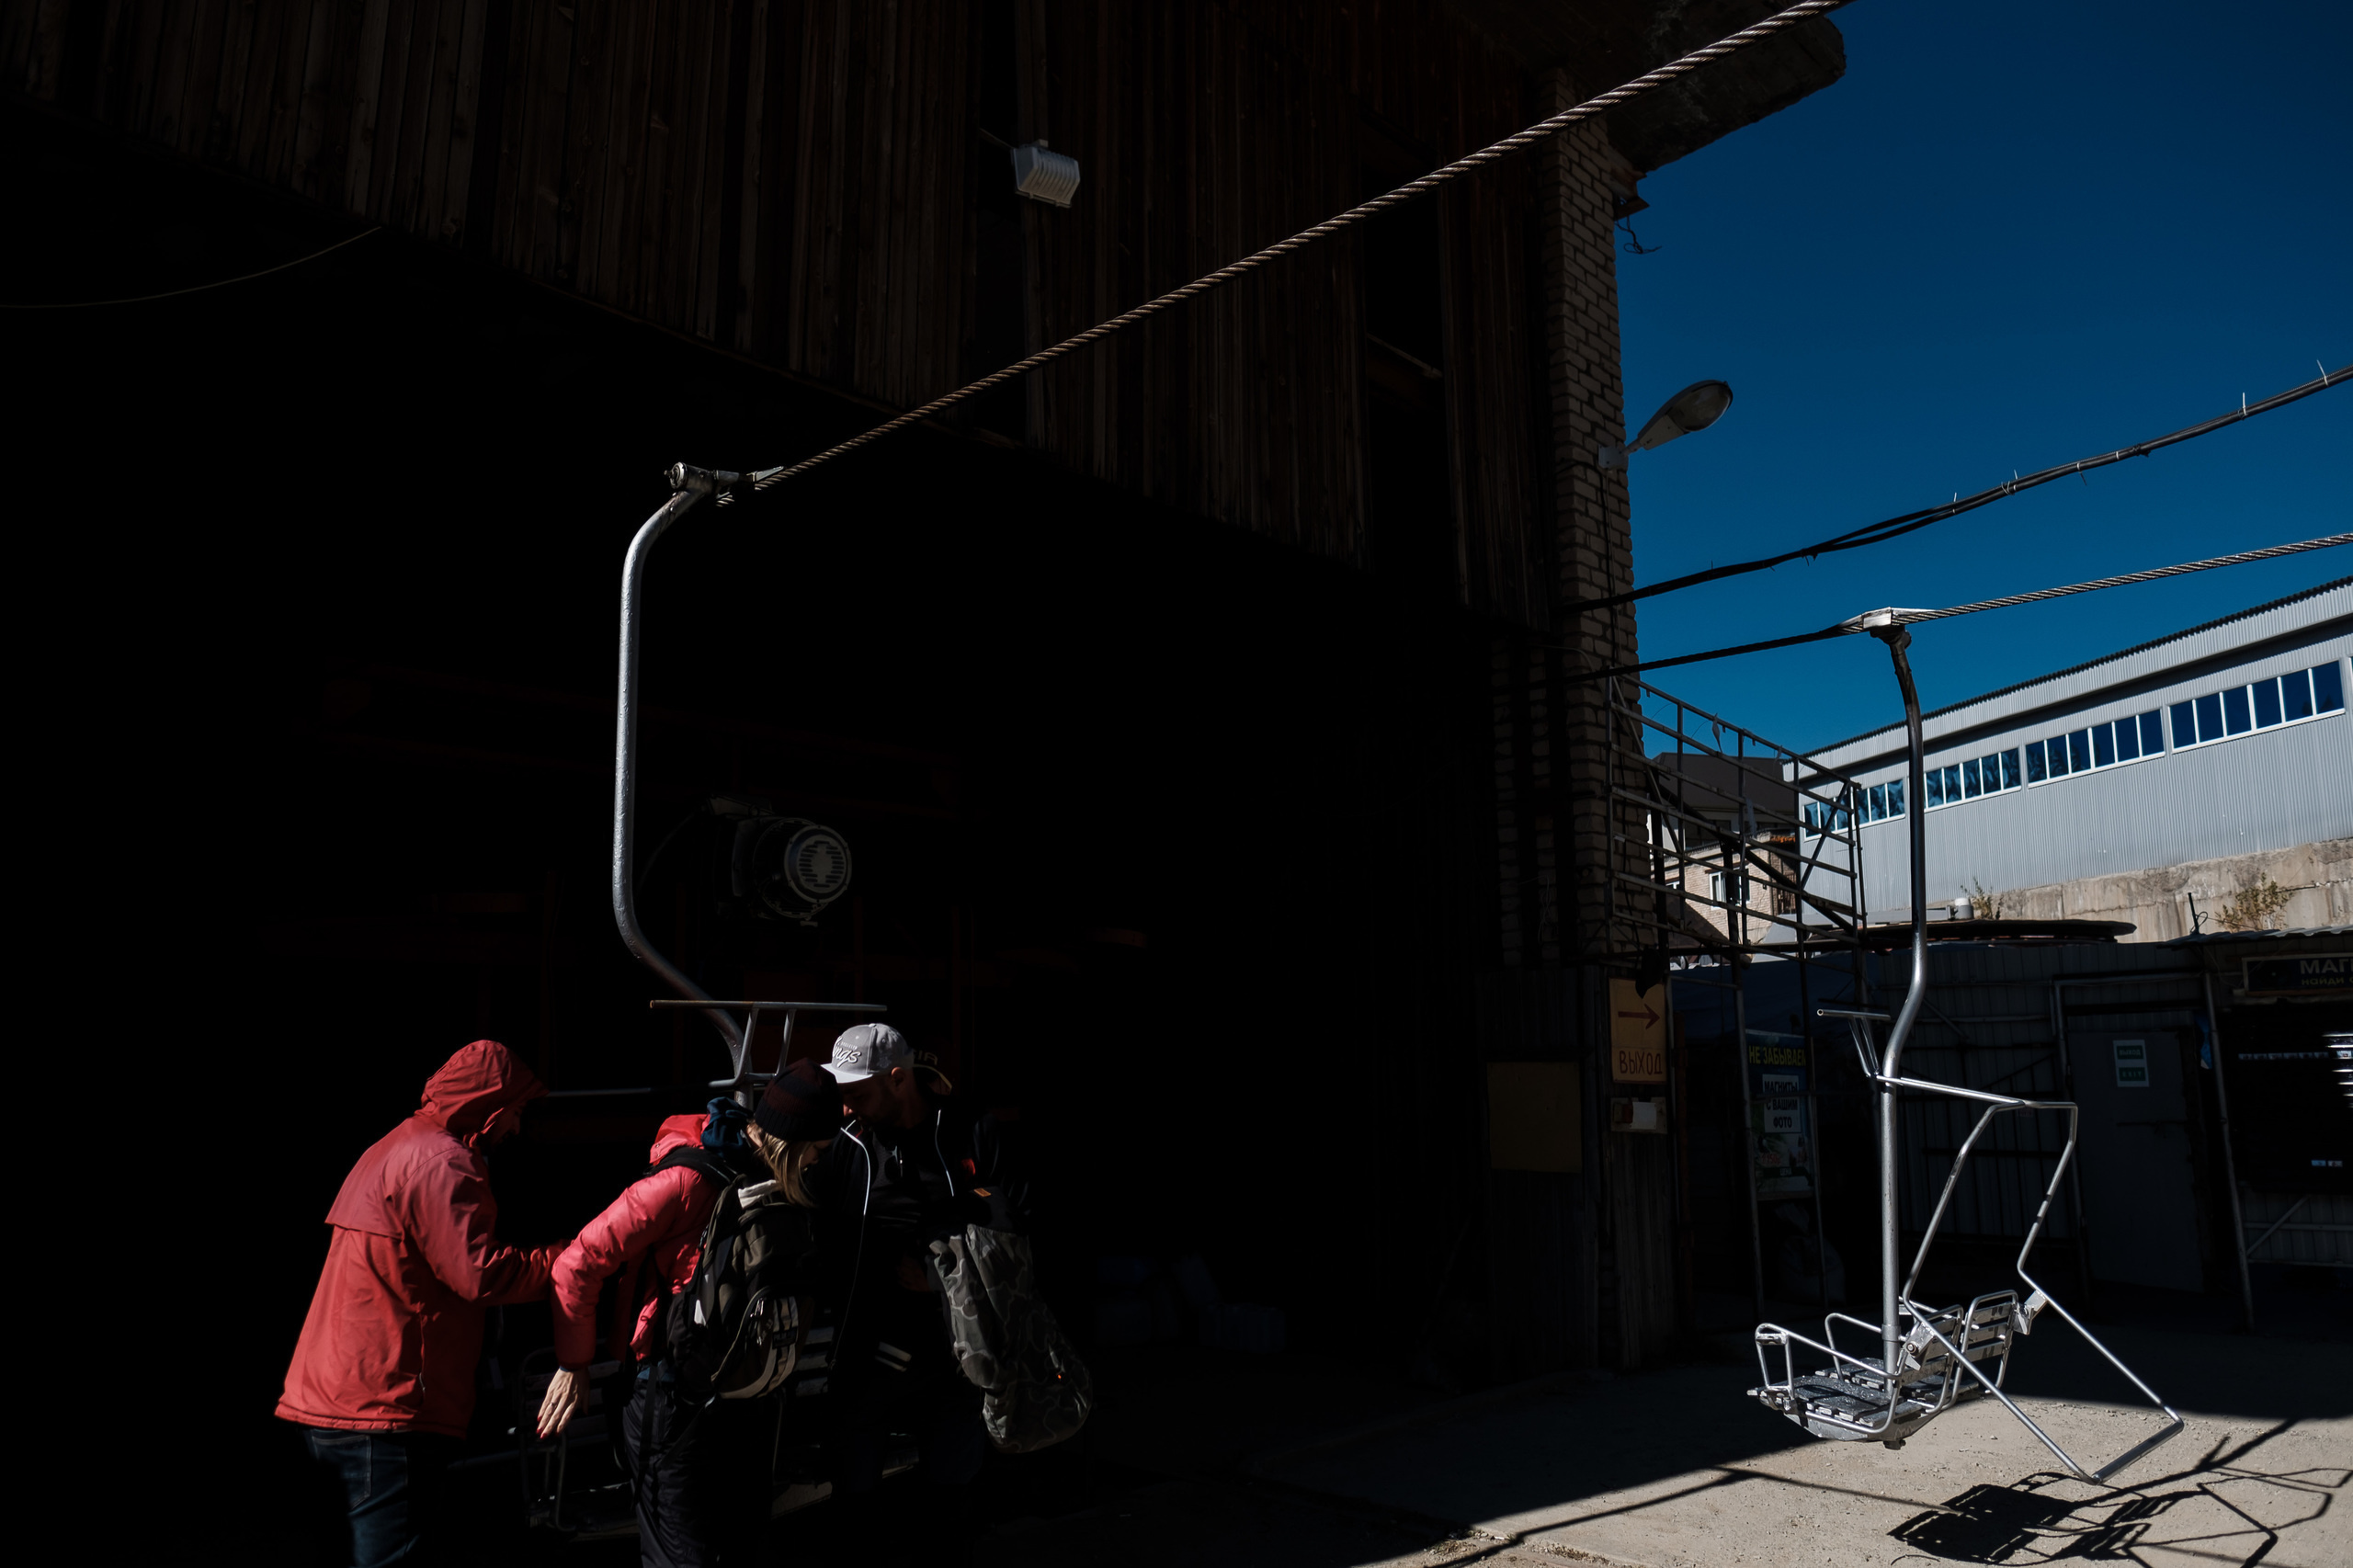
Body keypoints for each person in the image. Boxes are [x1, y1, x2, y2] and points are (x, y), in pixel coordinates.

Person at [537, 1060, 838, 1568]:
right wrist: (574, 1362)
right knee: (684, 1560)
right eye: (815, 1151)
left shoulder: (778, 1177)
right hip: (670, 1396)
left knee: (746, 1548)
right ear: (790, 1142)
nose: (817, 1163)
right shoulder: (684, 1182)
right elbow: (577, 1263)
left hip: (746, 1397)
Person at [279, 1039, 565, 1567]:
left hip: (333, 1404)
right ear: (492, 1105)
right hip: (383, 1413)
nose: (517, 1129)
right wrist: (570, 1260)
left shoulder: (393, 1146)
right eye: (516, 1112)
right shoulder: (444, 1163)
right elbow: (481, 1276)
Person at [817, 1024, 1029, 1563]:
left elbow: (1019, 1240)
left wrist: (942, 1276)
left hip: (955, 1356)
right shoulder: (847, 1144)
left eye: (856, 1094)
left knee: (951, 1508)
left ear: (897, 1079)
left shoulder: (970, 1131)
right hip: (868, 1360)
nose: (846, 1108)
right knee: (855, 1509)